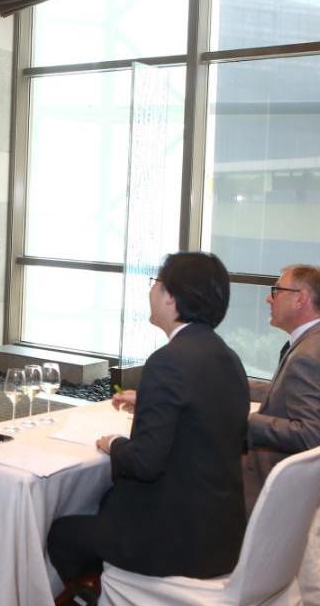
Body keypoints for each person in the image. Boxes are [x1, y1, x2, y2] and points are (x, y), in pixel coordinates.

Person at [46, 252, 250, 606]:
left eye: (155, 282)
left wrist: (114, 443)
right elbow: (205, 420)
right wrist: (150, 403)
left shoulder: (168, 361)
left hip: (171, 542)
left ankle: (96, 596)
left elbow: (144, 463)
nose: (151, 291)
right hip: (221, 536)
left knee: (62, 534)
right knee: (103, 505)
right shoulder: (228, 358)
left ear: (172, 297)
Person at [243, 264, 320, 513]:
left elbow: (308, 435)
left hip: (284, 476)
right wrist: (238, 386)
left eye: (277, 290)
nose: (269, 299)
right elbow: (291, 388)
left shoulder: (307, 357)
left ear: (300, 299)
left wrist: (243, 421)